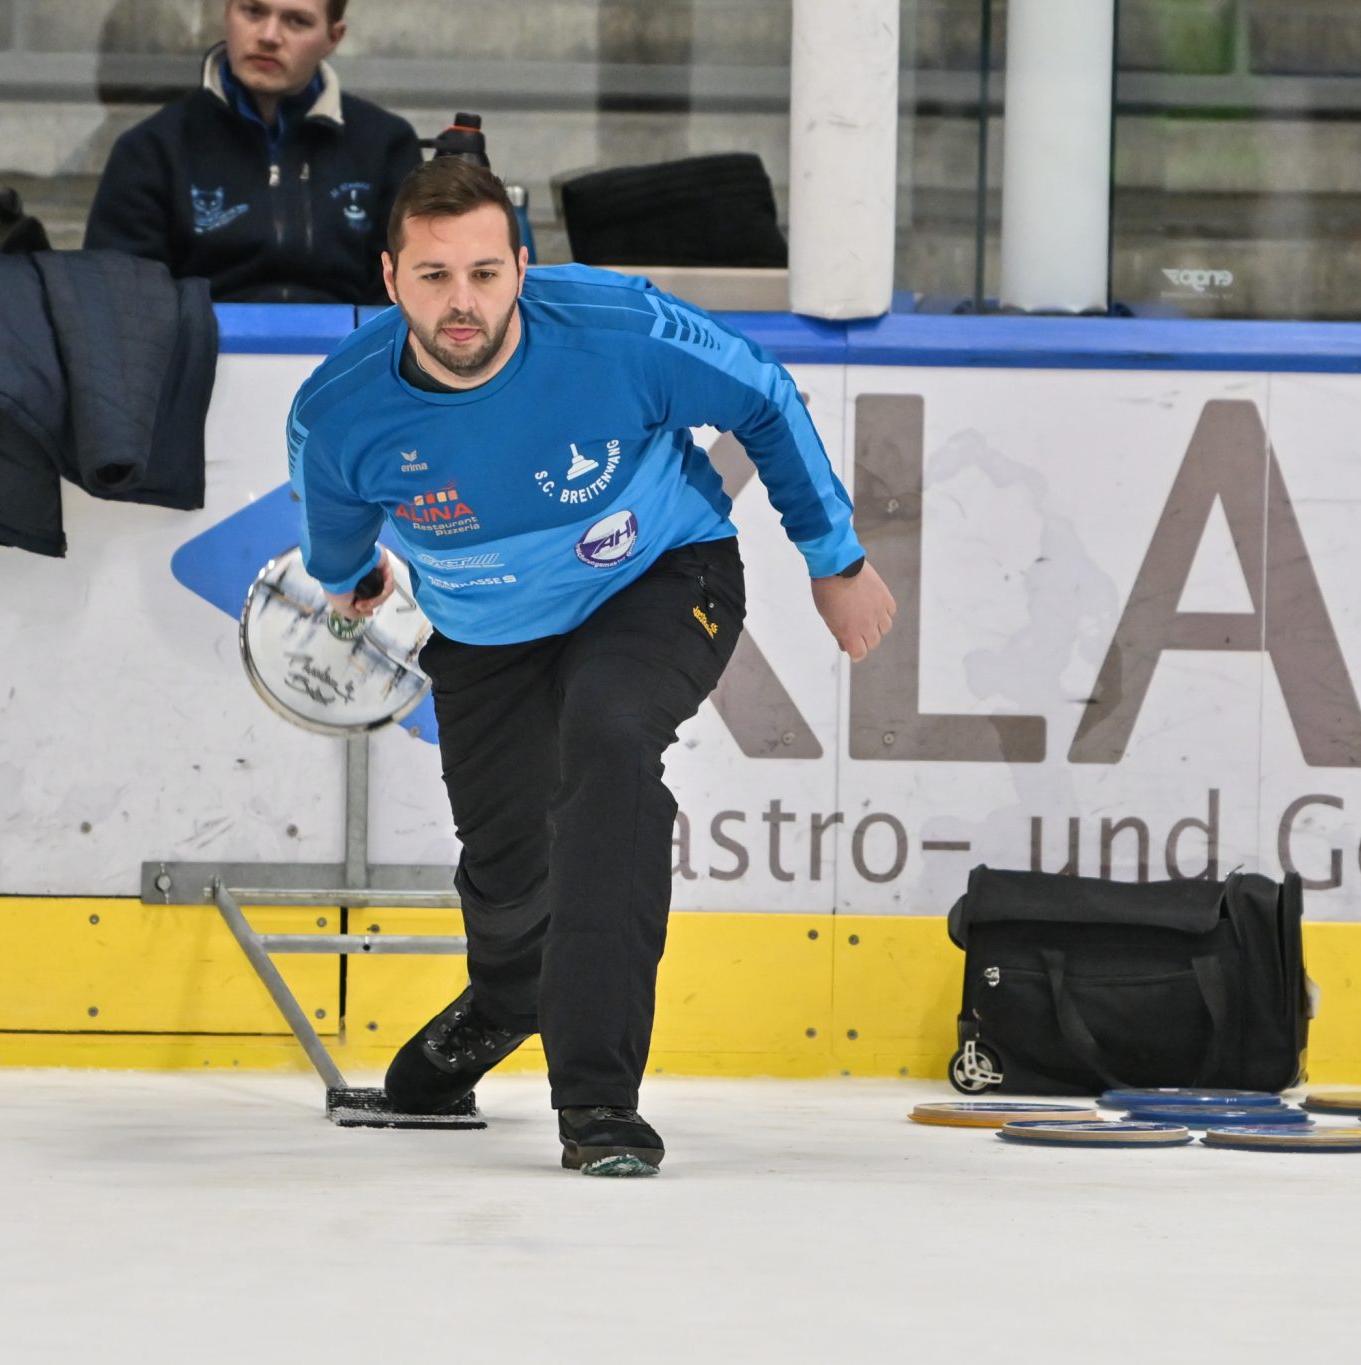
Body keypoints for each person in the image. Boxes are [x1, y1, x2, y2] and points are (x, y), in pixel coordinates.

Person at [286, 158, 896, 1176]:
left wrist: (832, 557)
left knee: (608, 746)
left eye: (484, 273)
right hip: (484, 637)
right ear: (389, 278)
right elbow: (334, 541)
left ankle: (599, 1102)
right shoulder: (338, 412)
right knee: (507, 872)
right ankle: (505, 998)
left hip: (659, 579)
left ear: (522, 266)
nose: (462, 303)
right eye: (433, 278)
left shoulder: (619, 329)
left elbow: (763, 394)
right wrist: (349, 582)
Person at [84, 0, 421, 304]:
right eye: (254, 12)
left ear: (333, 38)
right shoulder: (151, 150)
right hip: (198, 359)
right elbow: (120, 308)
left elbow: (408, 301)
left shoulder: (387, 145)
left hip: (350, 361)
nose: (269, 35)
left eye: (296, 21)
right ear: (227, 12)